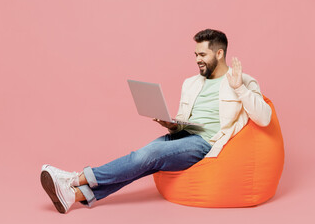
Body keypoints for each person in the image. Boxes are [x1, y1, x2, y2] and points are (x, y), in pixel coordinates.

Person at [40, 29, 272, 214]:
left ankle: (72, 178)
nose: (197, 60)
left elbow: (264, 117)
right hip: (184, 135)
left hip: (206, 143)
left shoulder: (241, 80)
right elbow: (185, 117)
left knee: (147, 155)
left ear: (219, 53)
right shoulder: (191, 83)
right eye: (195, 55)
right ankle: (74, 195)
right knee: (144, 160)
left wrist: (239, 88)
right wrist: (173, 124)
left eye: (202, 55)